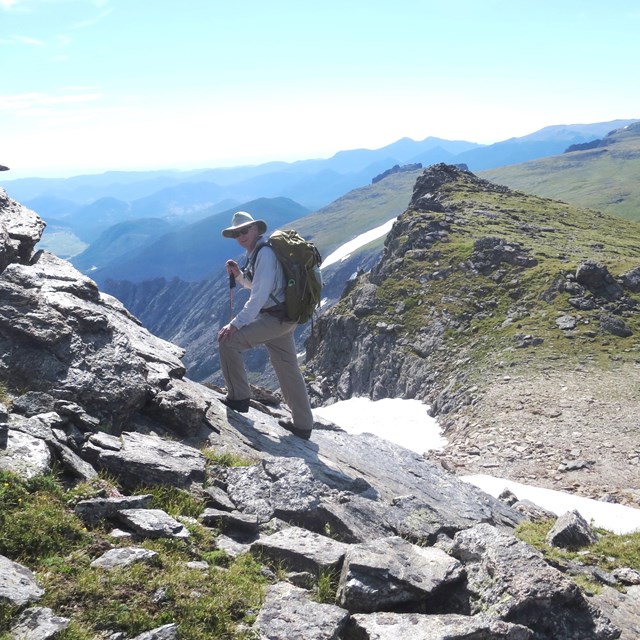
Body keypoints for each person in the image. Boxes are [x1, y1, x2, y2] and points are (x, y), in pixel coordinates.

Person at [217, 211, 314, 439]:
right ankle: (303, 424)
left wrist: (235, 324)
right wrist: (240, 276)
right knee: (287, 367)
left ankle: (239, 398)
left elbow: (259, 296)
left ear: (256, 230)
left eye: (244, 230)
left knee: (228, 342)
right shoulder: (261, 252)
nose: (240, 236)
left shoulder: (265, 254)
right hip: (284, 317)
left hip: (274, 319)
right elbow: (260, 286)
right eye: (236, 233)